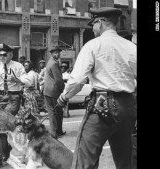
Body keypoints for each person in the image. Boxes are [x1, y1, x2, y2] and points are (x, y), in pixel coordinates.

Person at [56, 7, 137, 169]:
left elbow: (78, 80)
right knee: (125, 159)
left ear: (100, 23)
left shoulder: (93, 45)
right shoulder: (131, 47)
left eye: (93, 24)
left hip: (102, 105)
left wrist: (64, 97)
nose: (92, 28)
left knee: (85, 159)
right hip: (128, 106)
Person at [43, 46, 66, 138]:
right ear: (51, 54)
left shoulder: (49, 62)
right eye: (55, 53)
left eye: (58, 53)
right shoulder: (54, 64)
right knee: (57, 112)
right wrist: (63, 90)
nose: (57, 54)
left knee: (51, 112)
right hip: (54, 91)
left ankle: (54, 132)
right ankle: (56, 132)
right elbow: (59, 80)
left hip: (47, 91)